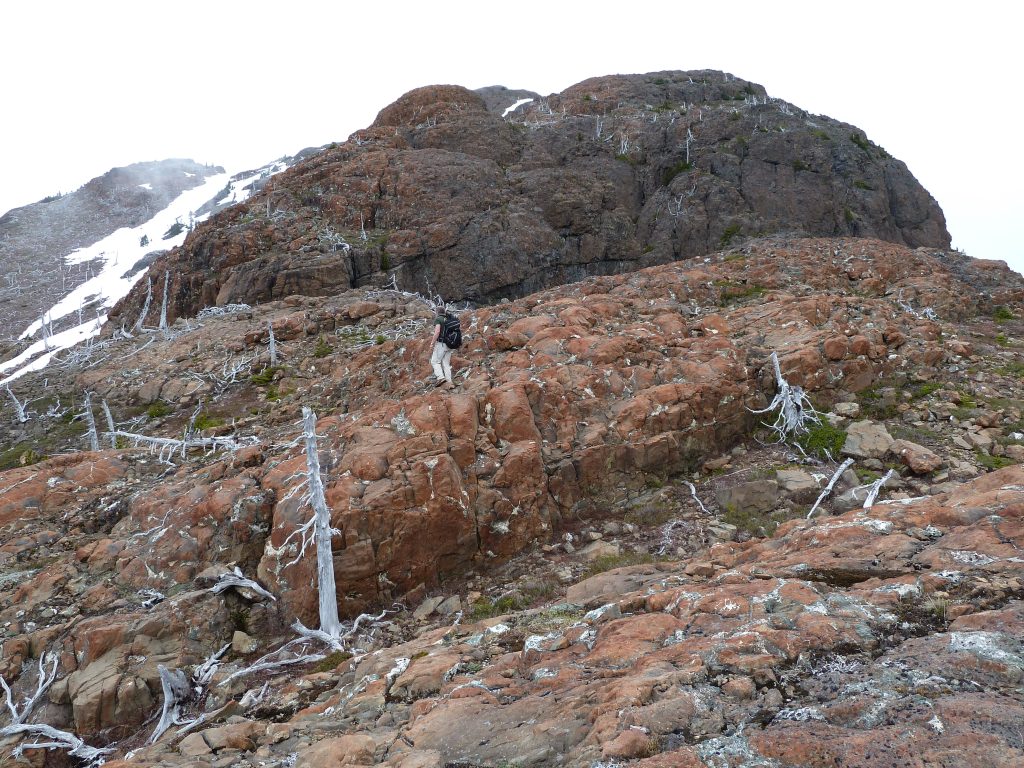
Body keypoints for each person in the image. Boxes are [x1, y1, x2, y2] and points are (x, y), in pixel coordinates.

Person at [429, 310, 455, 389]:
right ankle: (449, 382)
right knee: (446, 363)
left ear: (437, 312)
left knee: (435, 361)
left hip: (441, 344)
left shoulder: (439, 319)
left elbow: (437, 332)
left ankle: (440, 377)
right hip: (450, 344)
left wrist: (432, 343)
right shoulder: (449, 319)